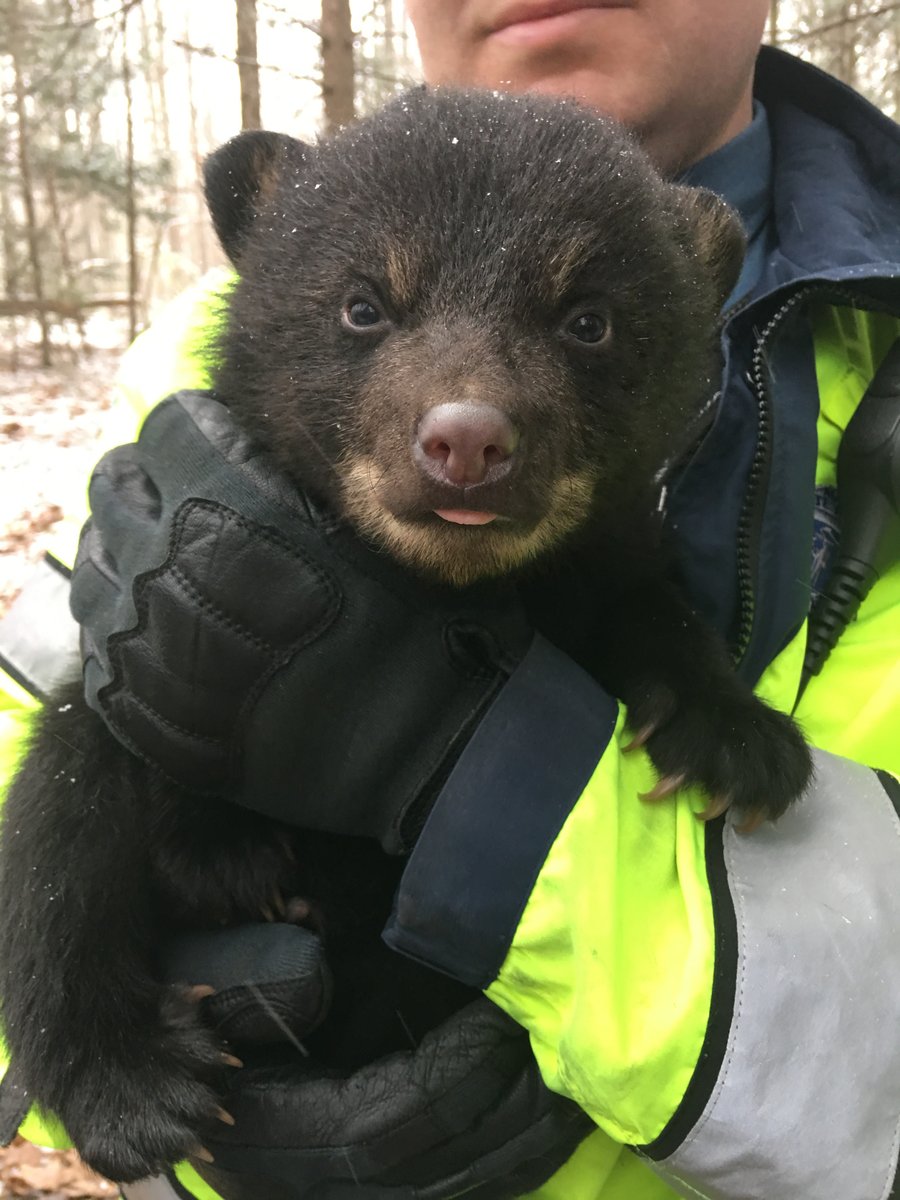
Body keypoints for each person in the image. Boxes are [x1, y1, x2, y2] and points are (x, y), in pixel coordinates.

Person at [1, 2, 899, 1198]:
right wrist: (69, 1052)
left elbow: (625, 599)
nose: (464, 417)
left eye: (581, 326)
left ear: (692, 282)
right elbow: (48, 751)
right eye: (369, 315)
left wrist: (519, 772)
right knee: (90, 740)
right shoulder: (180, 395)